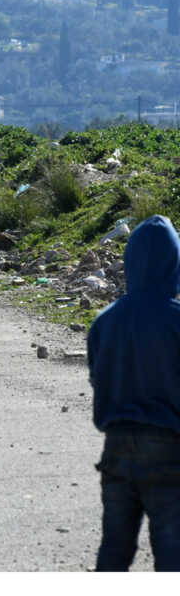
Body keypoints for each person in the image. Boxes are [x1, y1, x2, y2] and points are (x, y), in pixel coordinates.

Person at [87, 214, 180, 572]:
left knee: (115, 545)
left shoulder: (105, 320)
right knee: (172, 548)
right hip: (169, 449)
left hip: (117, 446)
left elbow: (98, 377)